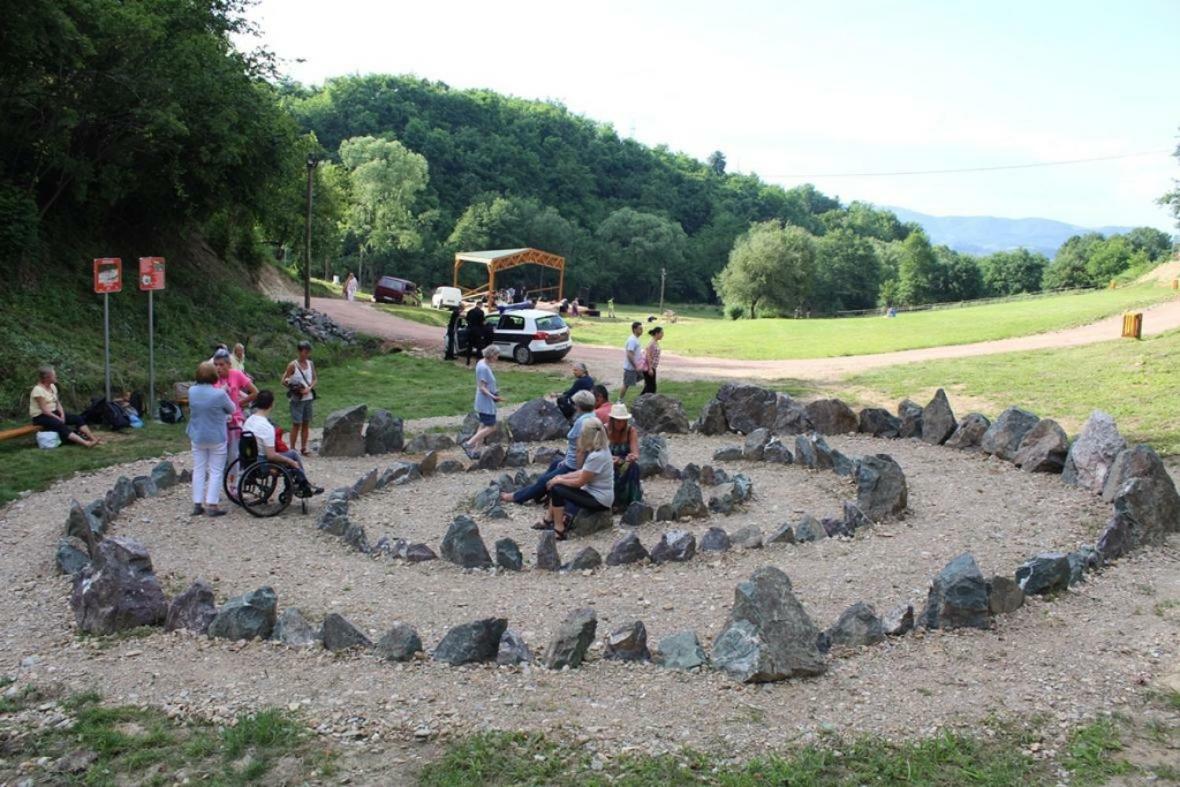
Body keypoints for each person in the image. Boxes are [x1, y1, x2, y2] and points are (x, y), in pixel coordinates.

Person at [501, 389, 596, 512]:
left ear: (578, 405)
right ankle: (537, 494)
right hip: (573, 461)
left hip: (575, 465)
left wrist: (577, 472)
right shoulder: (593, 417)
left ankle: (517, 497)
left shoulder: (581, 423)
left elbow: (581, 450)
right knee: (555, 464)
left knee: (544, 480)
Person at [243, 390, 323, 497]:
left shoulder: (249, 420)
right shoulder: (266, 427)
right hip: (262, 463)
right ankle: (302, 484)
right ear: (271, 404)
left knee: (290, 454)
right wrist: (290, 461)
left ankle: (301, 484)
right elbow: (271, 456)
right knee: (293, 455)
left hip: (249, 460)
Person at [545, 418, 614, 539]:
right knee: (557, 483)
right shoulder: (603, 449)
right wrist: (562, 476)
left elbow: (579, 482)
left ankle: (559, 528)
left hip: (598, 500)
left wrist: (560, 480)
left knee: (557, 489)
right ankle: (550, 519)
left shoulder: (596, 456)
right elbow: (584, 472)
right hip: (597, 495)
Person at [187, 361, 235, 517]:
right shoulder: (220, 394)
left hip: (197, 435)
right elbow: (232, 409)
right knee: (216, 470)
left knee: (199, 469)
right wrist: (224, 391)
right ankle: (212, 504)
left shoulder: (192, 391)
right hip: (216, 436)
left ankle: (197, 503)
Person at [213, 349, 257, 490]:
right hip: (218, 422)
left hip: (235, 420)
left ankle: (233, 485)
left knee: (233, 454)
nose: (218, 368)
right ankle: (216, 486)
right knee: (218, 455)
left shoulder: (236, 375)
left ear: (228, 364)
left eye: (221, 365)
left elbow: (255, 392)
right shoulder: (212, 378)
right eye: (216, 365)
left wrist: (241, 403)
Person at [29, 366, 98, 447]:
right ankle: (86, 443)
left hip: (53, 413)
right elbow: (45, 410)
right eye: (54, 375)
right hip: (41, 417)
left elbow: (58, 403)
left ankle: (93, 439)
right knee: (60, 424)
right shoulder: (38, 390)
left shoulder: (52, 387)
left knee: (77, 418)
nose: (56, 377)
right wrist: (58, 418)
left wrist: (62, 414)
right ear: (47, 377)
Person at [463, 345, 503, 456]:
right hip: (485, 402)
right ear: (491, 355)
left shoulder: (482, 363)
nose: (497, 357)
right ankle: (468, 443)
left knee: (483, 424)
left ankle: (476, 451)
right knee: (491, 426)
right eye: (496, 355)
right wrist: (493, 396)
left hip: (484, 401)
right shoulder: (483, 368)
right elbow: (482, 387)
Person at [281, 340, 317, 456]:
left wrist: (309, 388)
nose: (306, 355)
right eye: (304, 352)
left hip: (308, 397)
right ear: (299, 351)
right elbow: (284, 381)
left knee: (306, 423)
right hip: (297, 398)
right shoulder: (293, 365)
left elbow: (315, 379)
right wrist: (296, 389)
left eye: (308, 352)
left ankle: (303, 447)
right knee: (296, 423)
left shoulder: (310, 364)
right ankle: (292, 448)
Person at [605, 403, 642, 511]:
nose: (620, 423)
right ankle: (614, 501)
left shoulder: (631, 431)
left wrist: (632, 456)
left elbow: (635, 452)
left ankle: (631, 502)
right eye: (617, 420)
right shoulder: (605, 429)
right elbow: (599, 450)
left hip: (624, 461)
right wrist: (611, 459)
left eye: (622, 420)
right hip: (608, 460)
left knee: (633, 467)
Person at [619, 321, 644, 402]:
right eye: (640, 329)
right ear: (634, 329)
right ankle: (620, 400)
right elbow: (629, 354)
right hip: (631, 368)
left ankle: (644, 395)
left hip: (636, 366)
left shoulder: (636, 339)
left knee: (646, 376)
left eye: (642, 328)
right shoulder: (632, 340)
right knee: (626, 384)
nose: (642, 330)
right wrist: (636, 366)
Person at [641, 326, 663, 395]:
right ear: (656, 333)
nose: (662, 335)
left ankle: (639, 400)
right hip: (649, 367)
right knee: (651, 387)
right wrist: (650, 369)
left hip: (652, 367)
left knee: (650, 386)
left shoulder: (655, 342)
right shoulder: (652, 343)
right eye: (661, 333)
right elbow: (648, 356)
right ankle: (640, 401)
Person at [464, 302, 486, 367]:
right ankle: (477, 361)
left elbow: (467, 319)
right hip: (477, 331)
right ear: (480, 305)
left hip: (470, 331)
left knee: (469, 346)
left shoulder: (470, 311)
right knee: (479, 347)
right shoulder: (481, 312)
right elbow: (482, 322)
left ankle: (468, 361)